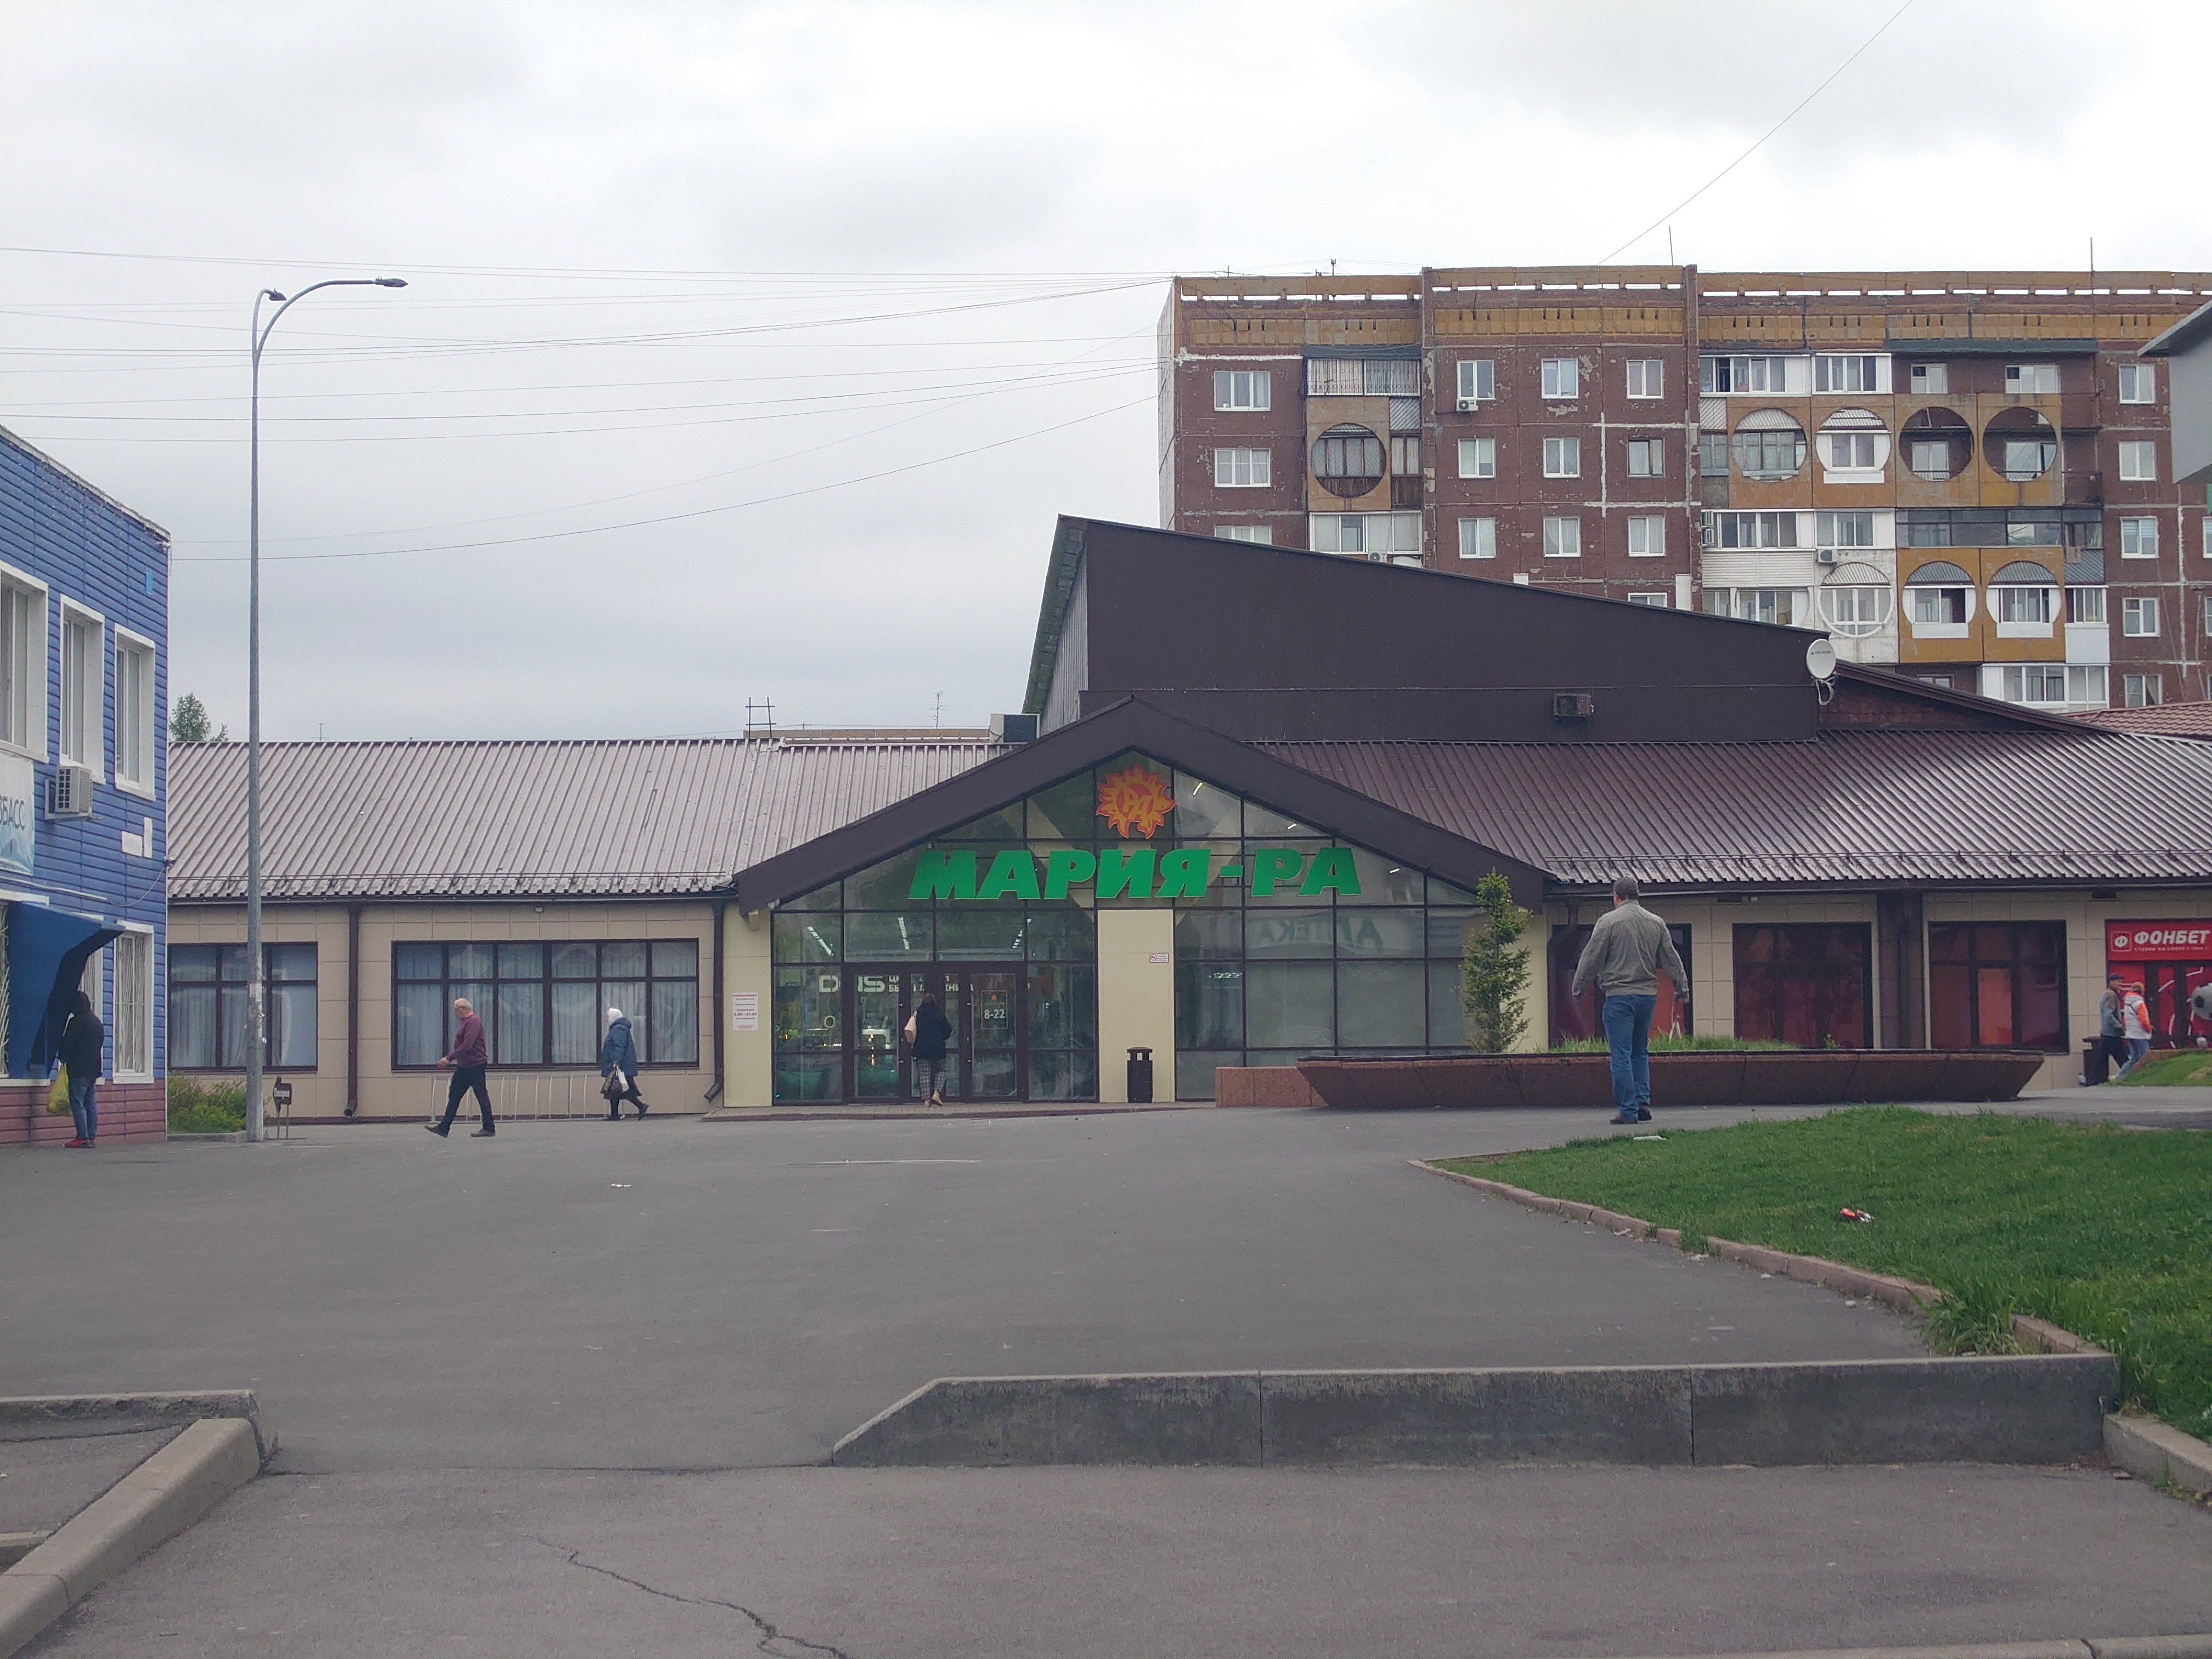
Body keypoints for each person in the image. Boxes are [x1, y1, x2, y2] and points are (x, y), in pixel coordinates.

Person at [1571, 878, 1688, 1126]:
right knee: (1640, 1051)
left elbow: (1591, 957)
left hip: (1619, 997)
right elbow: (1671, 958)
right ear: (1637, 895)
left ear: (1616, 897)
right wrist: (1682, 988)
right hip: (1647, 997)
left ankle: (1628, 1110)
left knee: (1621, 1053)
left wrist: (1579, 986)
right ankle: (1643, 1102)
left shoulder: (1608, 922)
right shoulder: (1656, 922)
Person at [426, 997, 494, 1137]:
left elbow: (467, 1045)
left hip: (475, 1065)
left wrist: (449, 1058)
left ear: (463, 1009)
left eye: (456, 1010)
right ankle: (444, 1127)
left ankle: (489, 1127)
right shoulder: (466, 1023)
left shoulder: (473, 1022)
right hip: (464, 1066)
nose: (456, 1014)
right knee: (454, 1095)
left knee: (481, 1095)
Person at [58, 989, 104, 1149]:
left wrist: (62, 1055)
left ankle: (82, 1137)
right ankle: (91, 1135)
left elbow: (68, 1043)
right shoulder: (97, 1022)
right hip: (94, 1068)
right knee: (90, 1102)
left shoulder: (77, 1022)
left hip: (78, 1068)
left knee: (77, 1103)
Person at [600, 1008, 648, 1119]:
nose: (606, 1019)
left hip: (621, 1066)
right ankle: (615, 1114)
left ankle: (641, 1106)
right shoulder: (618, 1028)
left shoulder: (618, 1029)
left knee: (622, 1089)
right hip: (621, 1065)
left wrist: (616, 1061)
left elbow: (620, 1046)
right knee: (614, 1089)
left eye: (608, 1016)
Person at [909, 992, 952, 1107]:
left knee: (924, 1074)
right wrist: (941, 1038)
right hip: (937, 1047)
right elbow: (948, 1029)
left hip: (921, 1048)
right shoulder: (938, 1015)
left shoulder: (918, 1015)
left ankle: (926, 1100)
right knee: (942, 1070)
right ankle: (936, 1093)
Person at [2114, 980, 2153, 1079]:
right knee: (2145, 1057)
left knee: (2134, 1058)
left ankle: (2121, 1076)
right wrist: (2149, 1029)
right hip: (2140, 1035)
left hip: (2130, 1034)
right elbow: (2144, 1021)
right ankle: (2144, 1077)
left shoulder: (2127, 1005)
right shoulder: (2140, 1004)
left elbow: (2125, 1020)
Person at [2096, 973, 2131, 1080]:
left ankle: (2093, 1080)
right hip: (2112, 1033)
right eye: (2118, 982)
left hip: (2106, 1032)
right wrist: (2120, 1027)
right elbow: (2108, 1015)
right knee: (2123, 1058)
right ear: (2111, 982)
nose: (2121, 984)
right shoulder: (2111, 995)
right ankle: (2130, 1076)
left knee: (2100, 1060)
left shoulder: (2106, 994)